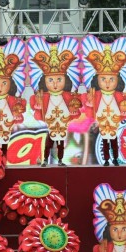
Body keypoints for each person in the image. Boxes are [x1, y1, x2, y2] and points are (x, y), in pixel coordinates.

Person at [82, 37, 126, 167]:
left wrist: (125, 104)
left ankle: (115, 159)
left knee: (113, 140)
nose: (107, 83)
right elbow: (88, 105)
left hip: (113, 119)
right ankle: (106, 160)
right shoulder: (96, 95)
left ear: (117, 80)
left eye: (111, 79)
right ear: (97, 80)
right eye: (103, 79)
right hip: (102, 119)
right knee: (105, 141)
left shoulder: (119, 95)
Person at [29, 38, 82, 166]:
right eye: (50, 80)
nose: (55, 83)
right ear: (45, 81)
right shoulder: (44, 96)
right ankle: (45, 160)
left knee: (60, 143)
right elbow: (35, 106)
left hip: (62, 122)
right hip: (51, 122)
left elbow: (77, 105)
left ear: (65, 80)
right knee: (49, 142)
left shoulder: (67, 95)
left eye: (59, 79)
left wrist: (74, 102)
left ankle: (59, 160)